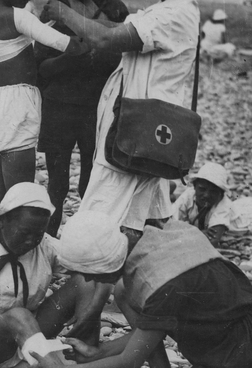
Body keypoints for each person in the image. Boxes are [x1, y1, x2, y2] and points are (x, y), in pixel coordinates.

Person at [44, 0, 200, 243]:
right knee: (143, 218)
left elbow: (106, 39)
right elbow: (118, 27)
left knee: (100, 223)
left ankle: (96, 271)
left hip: (135, 130)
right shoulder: (171, 9)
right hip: (145, 128)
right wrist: (82, 19)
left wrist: (65, 14)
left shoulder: (174, 12)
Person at [29, 211, 252, 368]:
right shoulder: (151, 238)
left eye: (89, 273)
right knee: (123, 292)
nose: (88, 279)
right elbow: (147, 335)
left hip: (242, 346)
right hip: (213, 331)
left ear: (105, 265)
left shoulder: (162, 284)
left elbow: (130, 361)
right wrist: (99, 353)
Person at [0, 183, 113, 367]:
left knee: (85, 282)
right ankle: (52, 364)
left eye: (38, 233)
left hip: (32, 331)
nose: (31, 241)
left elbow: (90, 268)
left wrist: (94, 307)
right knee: (18, 315)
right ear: (2, 221)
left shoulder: (44, 246)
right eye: (24, 233)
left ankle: (88, 356)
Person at [0, 0, 89, 235]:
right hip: (17, 107)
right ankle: (17, 259)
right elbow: (70, 46)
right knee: (20, 199)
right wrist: (91, 30)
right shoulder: (18, 18)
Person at [35, 0, 128, 237]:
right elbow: (39, 68)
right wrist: (69, 59)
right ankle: (47, 241)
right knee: (57, 184)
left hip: (98, 109)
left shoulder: (114, 8)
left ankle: (88, 242)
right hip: (59, 107)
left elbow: (125, 57)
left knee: (93, 183)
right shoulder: (55, 10)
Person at [172, 162, 232, 247]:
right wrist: (197, 233)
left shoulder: (224, 204)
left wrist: (184, 232)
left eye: (213, 191)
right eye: (202, 189)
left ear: (220, 194)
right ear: (194, 186)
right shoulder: (189, 195)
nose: (206, 195)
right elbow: (170, 224)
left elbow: (212, 241)